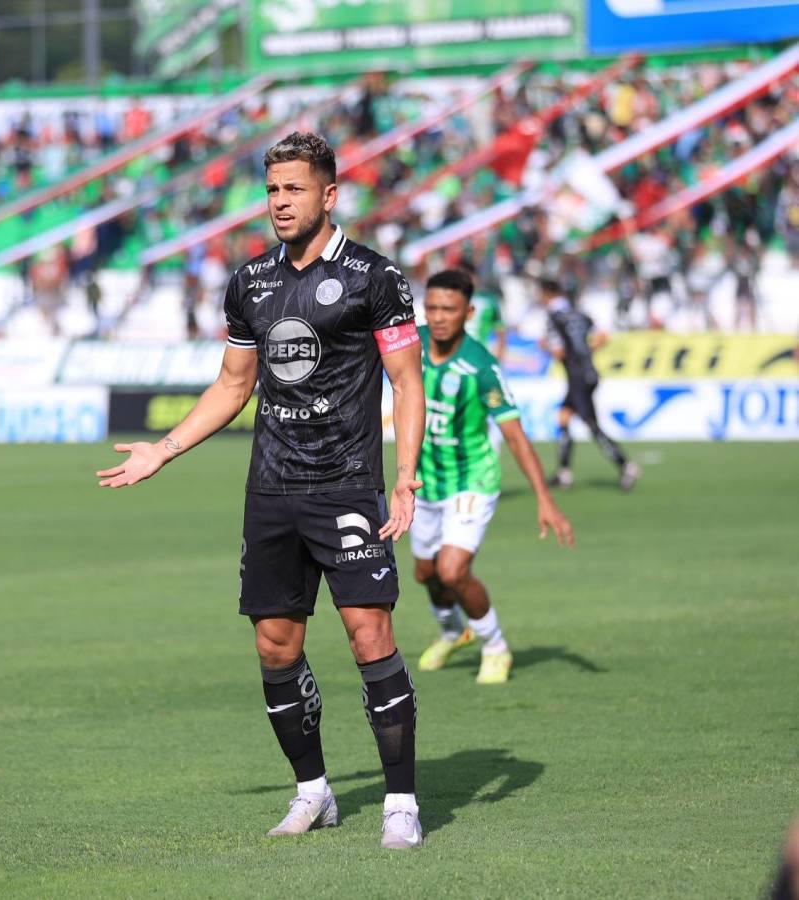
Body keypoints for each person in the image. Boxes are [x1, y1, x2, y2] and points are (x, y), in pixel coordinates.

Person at [95, 132, 427, 850]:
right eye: (273, 189)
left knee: (371, 636)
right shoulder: (250, 282)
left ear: (329, 195)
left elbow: (406, 381)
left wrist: (405, 475)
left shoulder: (375, 277)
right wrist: (167, 449)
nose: (280, 202)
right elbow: (234, 385)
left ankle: (401, 801)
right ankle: (313, 791)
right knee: (276, 646)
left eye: (294, 189)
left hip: (346, 483)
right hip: (272, 487)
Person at [412, 269, 575, 684]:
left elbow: (516, 437)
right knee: (426, 574)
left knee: (452, 571)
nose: (439, 316)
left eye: (448, 309)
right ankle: (454, 632)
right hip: (423, 481)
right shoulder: (410, 345)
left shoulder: (481, 366)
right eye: (431, 307)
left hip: (472, 479)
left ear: (468, 312)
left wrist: (544, 498)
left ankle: (496, 645)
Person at [538, 275, 641, 492]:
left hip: (577, 377)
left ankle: (626, 466)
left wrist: (545, 347)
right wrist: (585, 352)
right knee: (564, 417)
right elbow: (603, 337)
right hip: (589, 373)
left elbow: (559, 352)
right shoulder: (580, 314)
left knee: (591, 425)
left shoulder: (554, 318)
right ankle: (564, 472)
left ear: (547, 295)